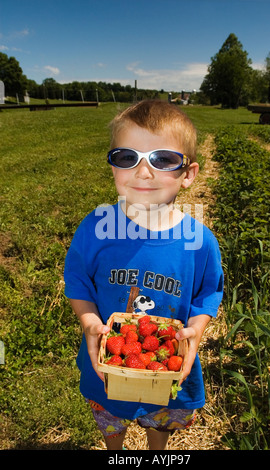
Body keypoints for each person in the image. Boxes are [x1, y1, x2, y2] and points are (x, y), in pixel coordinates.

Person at [64, 99, 224, 450]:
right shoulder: (94, 229)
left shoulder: (200, 243)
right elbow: (77, 280)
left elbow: (206, 295)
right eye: (127, 157)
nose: (143, 172)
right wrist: (90, 322)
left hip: (167, 364)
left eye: (163, 159)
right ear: (113, 168)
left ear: (188, 174)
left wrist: (195, 331)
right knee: (110, 418)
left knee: (161, 420)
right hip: (108, 363)